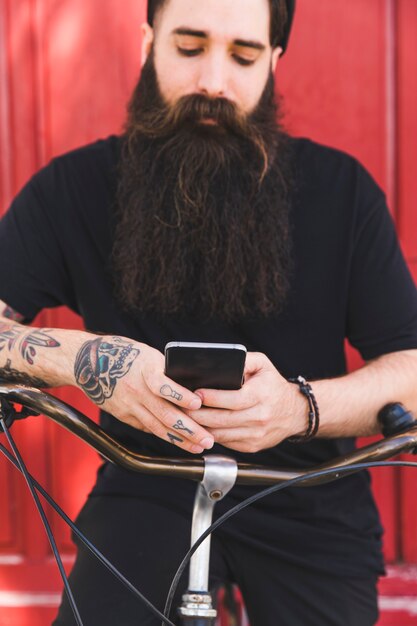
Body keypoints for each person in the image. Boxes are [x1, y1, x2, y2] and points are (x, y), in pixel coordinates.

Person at [1, 0, 417, 624]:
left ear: (274, 62)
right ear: (148, 43)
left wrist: (299, 409)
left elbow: (410, 363)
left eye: (244, 56)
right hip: (143, 479)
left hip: (308, 496)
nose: (213, 83)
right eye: (190, 47)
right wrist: (87, 360)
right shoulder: (72, 187)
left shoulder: (343, 192)